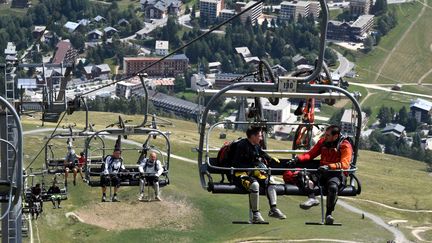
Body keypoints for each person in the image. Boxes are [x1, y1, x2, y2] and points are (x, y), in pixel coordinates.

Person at [291, 125, 352, 225]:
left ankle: (329, 214)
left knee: (332, 187)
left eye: (328, 135)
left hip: (336, 174)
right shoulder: (323, 142)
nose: (325, 137)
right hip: (322, 172)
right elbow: (311, 154)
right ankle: (312, 198)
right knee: (302, 175)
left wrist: (329, 166)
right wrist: (298, 159)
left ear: (335, 136)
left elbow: (345, 164)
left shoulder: (345, 145)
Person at [232, 126, 286, 223]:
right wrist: (252, 169)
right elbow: (236, 164)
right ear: (253, 136)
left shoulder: (256, 145)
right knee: (254, 184)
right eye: (260, 136)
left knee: (270, 181)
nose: (261, 138)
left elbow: (261, 153)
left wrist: (270, 158)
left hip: (252, 172)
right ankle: (255, 214)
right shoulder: (241, 146)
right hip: (240, 174)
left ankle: (273, 209)